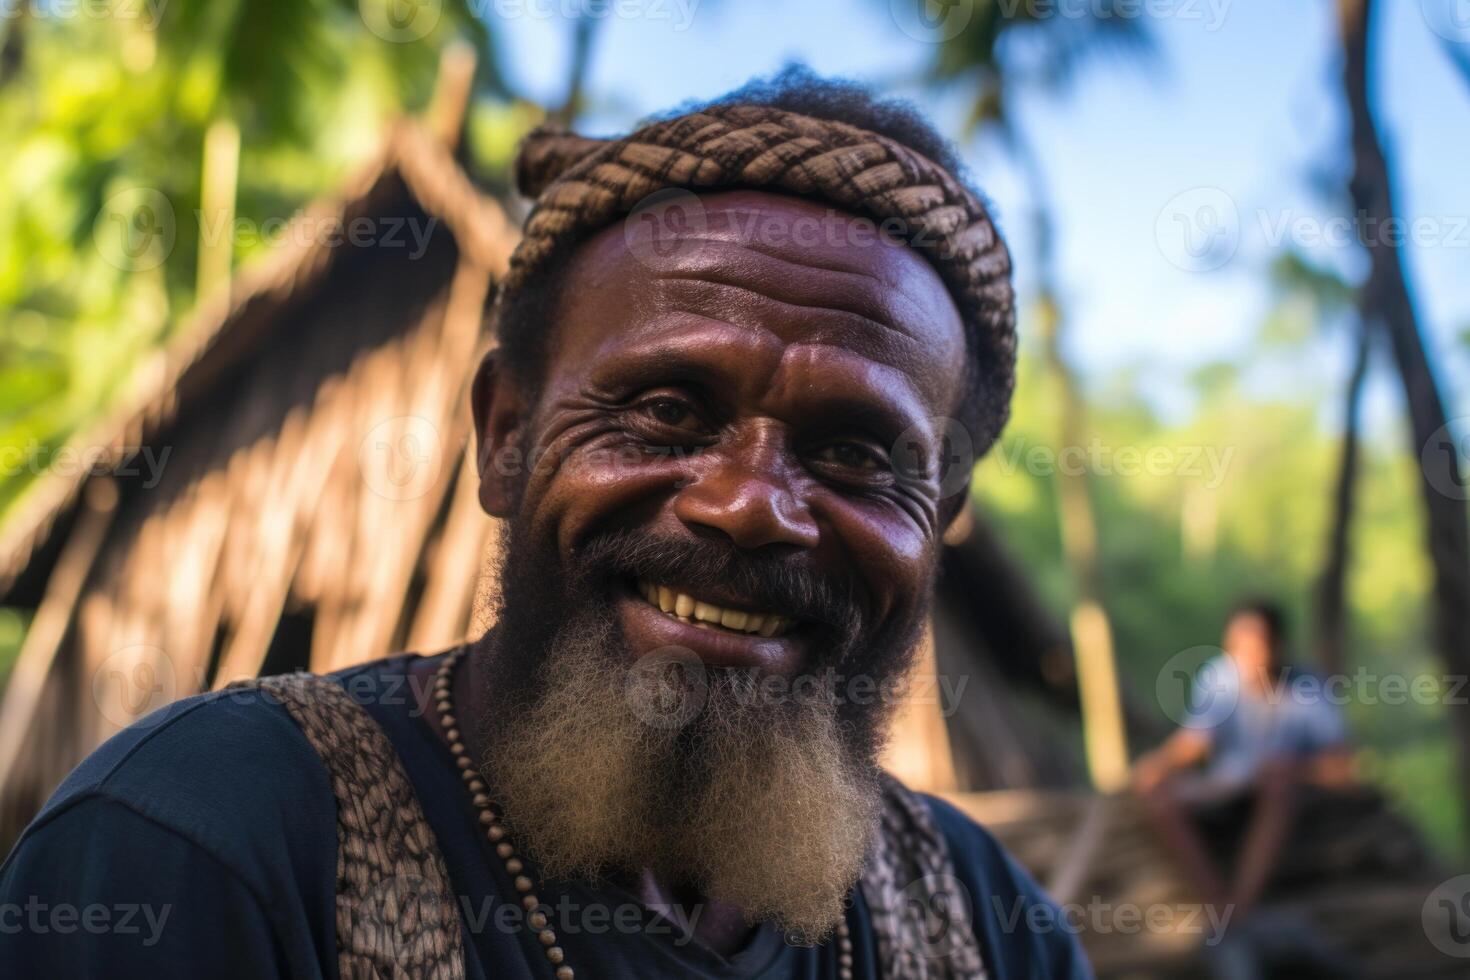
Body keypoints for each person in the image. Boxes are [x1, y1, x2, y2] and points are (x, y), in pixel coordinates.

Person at [0, 69, 1089, 979]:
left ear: (938, 519)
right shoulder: (203, 845)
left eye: (855, 451)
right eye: (666, 410)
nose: (750, 502)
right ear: (507, 437)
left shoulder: (995, 932)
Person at [1132, 599, 1357, 977]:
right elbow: (1195, 743)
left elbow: (1344, 768)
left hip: (1280, 794)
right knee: (1160, 798)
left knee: (1278, 784)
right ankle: (1218, 904)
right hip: (1227, 789)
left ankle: (1240, 907)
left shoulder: (1305, 686)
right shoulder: (1219, 678)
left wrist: (1294, 769)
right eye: (1239, 643)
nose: (1247, 653)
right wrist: (1156, 767)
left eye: (1257, 642)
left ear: (1278, 644)